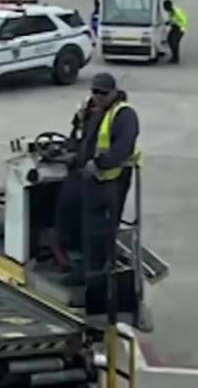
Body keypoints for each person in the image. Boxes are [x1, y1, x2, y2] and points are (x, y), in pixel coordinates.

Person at [57, 72, 141, 286]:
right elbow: (81, 137)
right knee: (73, 215)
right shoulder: (90, 109)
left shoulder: (124, 115)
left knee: (100, 229)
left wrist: (99, 164)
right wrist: (71, 154)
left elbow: (123, 148)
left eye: (103, 93)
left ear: (114, 92)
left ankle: (95, 277)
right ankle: (81, 264)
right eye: (95, 92)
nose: (98, 97)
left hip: (111, 181)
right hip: (89, 178)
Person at [162, 0, 186, 64]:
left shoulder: (177, 11)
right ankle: (174, 56)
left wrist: (181, 30)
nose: (165, 10)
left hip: (180, 28)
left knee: (174, 42)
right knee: (169, 40)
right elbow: (173, 20)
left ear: (168, 7)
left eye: (165, 8)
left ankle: (176, 58)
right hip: (174, 27)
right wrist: (168, 23)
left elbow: (184, 21)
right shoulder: (170, 11)